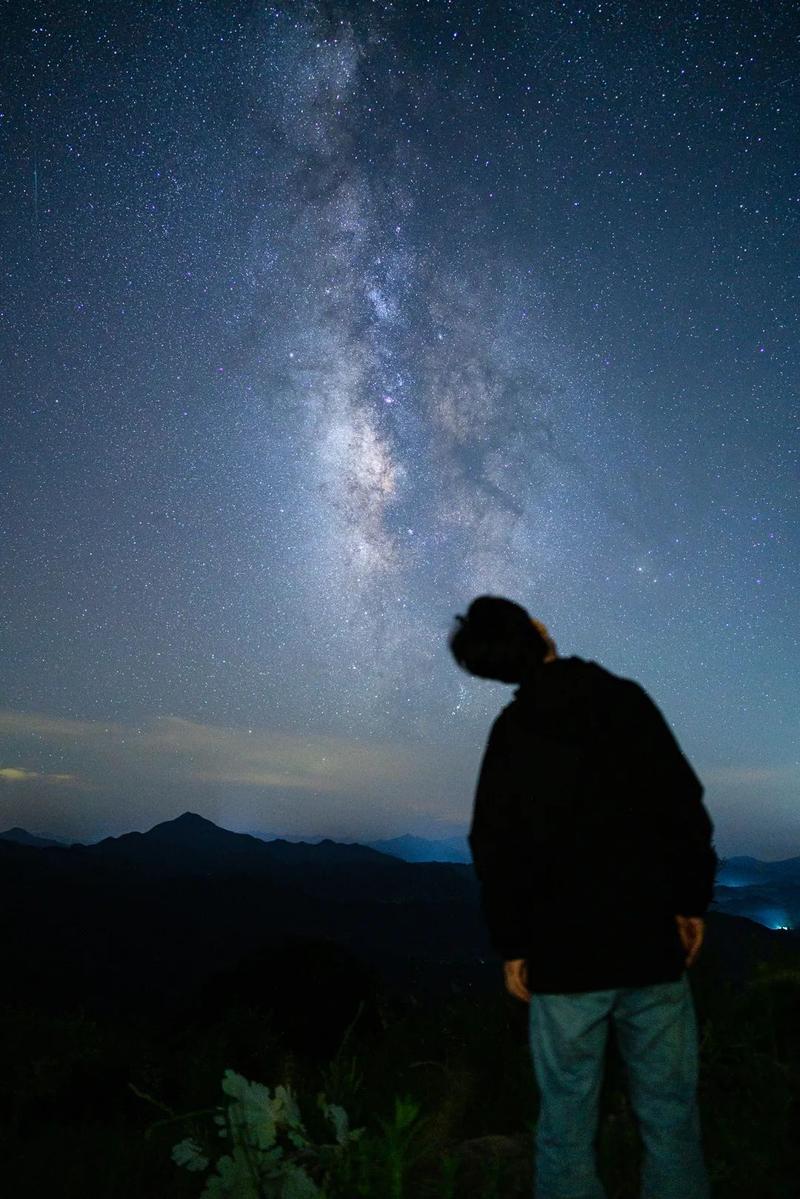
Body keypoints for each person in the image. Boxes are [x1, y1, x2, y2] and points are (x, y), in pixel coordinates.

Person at [448, 595, 718, 1199]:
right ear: (539, 632)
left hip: (563, 962)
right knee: (672, 1123)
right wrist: (690, 901)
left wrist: (513, 945)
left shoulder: (512, 734)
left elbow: (494, 849)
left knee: (566, 1127)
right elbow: (682, 805)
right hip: (651, 944)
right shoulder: (623, 700)